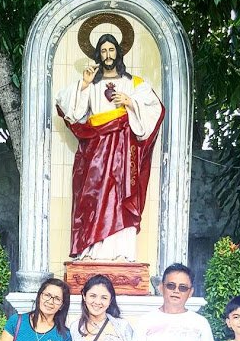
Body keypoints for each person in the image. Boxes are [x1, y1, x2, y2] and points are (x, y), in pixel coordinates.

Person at [56, 33, 164, 261]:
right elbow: (71, 112)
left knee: (120, 195)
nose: (108, 55)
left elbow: (155, 108)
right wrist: (84, 83)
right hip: (96, 148)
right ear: (98, 54)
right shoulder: (91, 84)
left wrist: (130, 102)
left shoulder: (133, 83)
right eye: (103, 51)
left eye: (111, 50)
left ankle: (121, 252)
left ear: (118, 52)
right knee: (92, 195)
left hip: (123, 150)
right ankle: (91, 251)